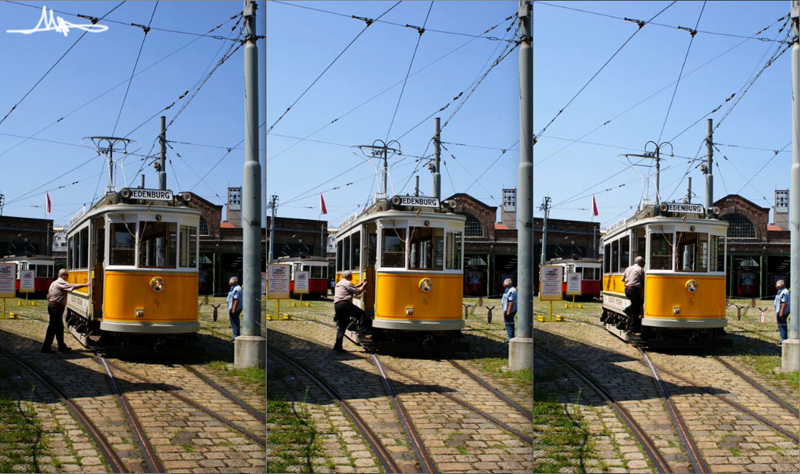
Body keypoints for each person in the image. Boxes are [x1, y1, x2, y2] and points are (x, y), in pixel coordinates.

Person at [42, 268, 91, 353]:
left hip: (53, 305)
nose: (68, 277)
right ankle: (46, 347)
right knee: (53, 327)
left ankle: (61, 346)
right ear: (62, 275)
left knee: (59, 327)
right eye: (67, 275)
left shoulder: (54, 282)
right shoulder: (60, 282)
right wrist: (85, 284)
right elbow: (72, 286)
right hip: (56, 307)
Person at [332, 270, 367, 352]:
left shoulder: (340, 283)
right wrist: (365, 285)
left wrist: (360, 284)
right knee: (361, 314)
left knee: (342, 326)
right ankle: (362, 332)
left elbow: (352, 288)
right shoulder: (348, 283)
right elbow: (358, 292)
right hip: (344, 304)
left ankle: (337, 346)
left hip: (337, 305)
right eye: (351, 276)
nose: (352, 277)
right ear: (347, 276)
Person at [621, 256, 645, 334]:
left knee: (637, 305)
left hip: (627, 290)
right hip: (635, 290)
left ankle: (628, 310)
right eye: (644, 263)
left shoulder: (628, 268)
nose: (644, 264)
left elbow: (622, 279)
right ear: (640, 263)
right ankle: (632, 329)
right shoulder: (641, 269)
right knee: (636, 309)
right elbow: (644, 282)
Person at [501, 278, 517, 343]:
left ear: (506, 284)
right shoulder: (508, 289)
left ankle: (510, 337)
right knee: (509, 323)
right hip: (508, 309)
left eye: (504, 284)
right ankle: (510, 336)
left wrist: (508, 311)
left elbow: (511, 301)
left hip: (510, 310)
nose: (503, 285)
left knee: (509, 323)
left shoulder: (511, 291)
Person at [774, 279, 790, 345]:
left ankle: (783, 339)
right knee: (781, 325)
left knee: (782, 325)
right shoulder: (781, 291)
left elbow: (784, 303)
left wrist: (781, 312)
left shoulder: (784, 292)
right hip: (780, 311)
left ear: (778, 286)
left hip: (782, 312)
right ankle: (783, 338)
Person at [227, 276, 243, 341]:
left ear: (232, 281)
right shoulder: (235, 288)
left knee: (234, 322)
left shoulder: (236, 289)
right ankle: (236, 335)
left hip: (235, 309)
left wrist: (233, 309)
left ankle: (236, 336)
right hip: (235, 308)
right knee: (235, 322)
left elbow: (236, 300)